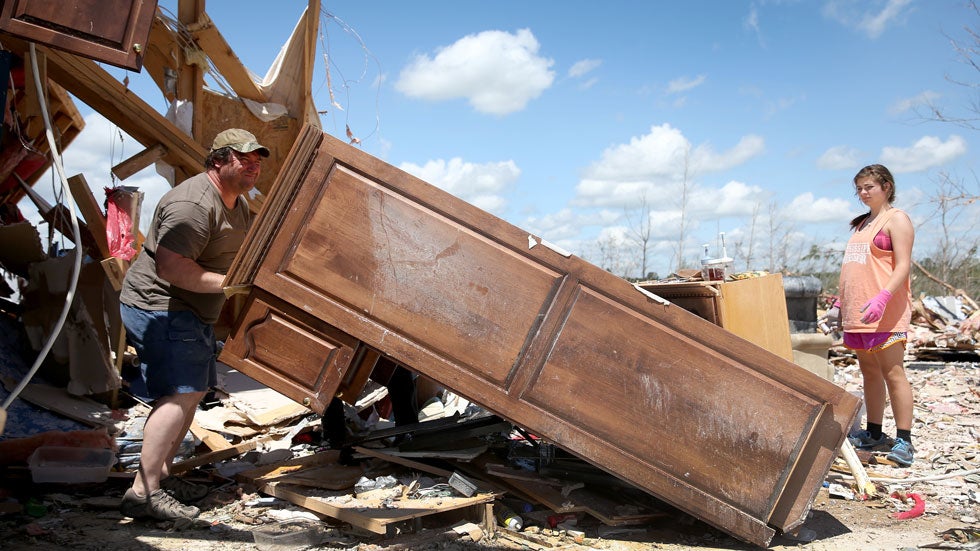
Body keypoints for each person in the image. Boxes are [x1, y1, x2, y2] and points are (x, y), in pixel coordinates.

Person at [118, 129, 269, 520]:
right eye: (243, 157)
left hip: (192, 310)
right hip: (162, 306)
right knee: (178, 394)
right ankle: (144, 492)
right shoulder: (193, 204)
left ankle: (161, 477)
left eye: (257, 158)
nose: (253, 164)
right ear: (218, 160)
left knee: (193, 391)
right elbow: (171, 267)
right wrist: (231, 285)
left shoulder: (237, 202)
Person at [831, 164, 916, 466]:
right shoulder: (861, 224)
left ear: (887, 187)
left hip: (885, 313)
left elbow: (903, 265)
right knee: (869, 372)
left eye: (869, 187)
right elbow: (855, 269)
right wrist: (842, 303)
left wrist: (883, 297)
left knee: (893, 372)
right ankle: (874, 432)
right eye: (860, 189)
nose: (864, 193)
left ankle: (904, 440)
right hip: (859, 314)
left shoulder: (897, 220)